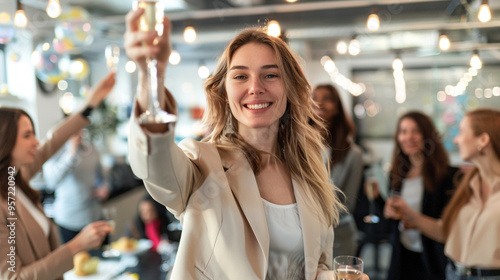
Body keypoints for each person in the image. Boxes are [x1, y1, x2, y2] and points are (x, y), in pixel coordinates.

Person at [124, 8, 369, 280]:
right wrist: (151, 77)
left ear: (289, 88)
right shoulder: (202, 163)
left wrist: (333, 277)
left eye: (270, 75)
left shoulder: (311, 166)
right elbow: (153, 165)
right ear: (224, 91)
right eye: (240, 76)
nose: (255, 87)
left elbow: (312, 266)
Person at [0, 72, 116, 280]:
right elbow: (12, 278)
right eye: (27, 135)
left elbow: (52, 142)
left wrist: (90, 105)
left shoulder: (16, 179)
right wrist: (76, 246)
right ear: (5, 142)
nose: (36, 142)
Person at [391, 108, 500, 280]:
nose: (456, 139)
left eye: (462, 132)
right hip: (455, 272)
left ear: (483, 140)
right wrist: (409, 215)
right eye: (403, 132)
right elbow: (445, 231)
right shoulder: (467, 184)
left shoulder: (450, 177)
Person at [376, 111, 458, 280]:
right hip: (402, 256)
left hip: (433, 260)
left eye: (416, 131)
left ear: (427, 135)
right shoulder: (397, 173)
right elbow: (391, 224)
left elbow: (447, 228)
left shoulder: (447, 176)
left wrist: (412, 217)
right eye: (403, 131)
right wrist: (385, 208)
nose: (408, 137)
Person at [311, 84, 363, 258]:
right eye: (315, 97)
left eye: (327, 98)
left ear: (338, 108)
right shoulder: (297, 147)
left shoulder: (353, 154)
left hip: (338, 238)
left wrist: (312, 215)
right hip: (302, 236)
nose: (319, 103)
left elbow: (349, 204)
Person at [43, 128, 110, 243]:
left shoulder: (91, 149)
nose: (78, 134)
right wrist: (71, 153)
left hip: (94, 215)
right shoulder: (54, 154)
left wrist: (104, 187)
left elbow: (102, 176)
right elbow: (52, 183)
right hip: (69, 220)